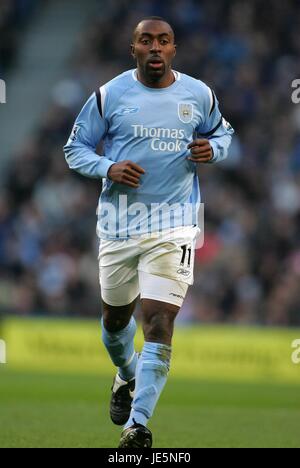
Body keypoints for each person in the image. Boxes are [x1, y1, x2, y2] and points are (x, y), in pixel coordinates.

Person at [64, 16, 234, 448]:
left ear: (174, 48)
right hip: (118, 225)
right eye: (146, 41)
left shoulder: (198, 94)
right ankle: (125, 374)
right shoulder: (110, 95)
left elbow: (224, 133)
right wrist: (108, 166)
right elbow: (75, 148)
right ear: (133, 49)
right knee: (114, 324)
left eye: (163, 41)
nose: (155, 48)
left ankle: (136, 425)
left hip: (174, 225)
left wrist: (212, 148)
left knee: (158, 321)